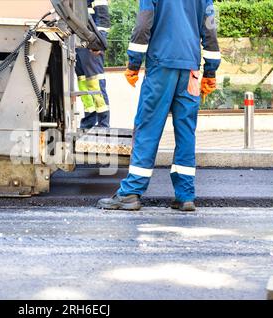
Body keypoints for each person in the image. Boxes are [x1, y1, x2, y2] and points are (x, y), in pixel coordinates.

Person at [98, 0, 221, 211]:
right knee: (186, 132)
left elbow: (143, 26)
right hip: (190, 69)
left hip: (161, 67)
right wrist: (210, 71)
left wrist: (134, 63)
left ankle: (131, 192)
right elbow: (210, 32)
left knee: (147, 128)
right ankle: (185, 196)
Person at [76, 0, 111, 129]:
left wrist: (97, 42)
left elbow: (103, 20)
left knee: (95, 84)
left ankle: (103, 124)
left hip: (92, 45)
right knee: (83, 84)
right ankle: (89, 122)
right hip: (77, 44)